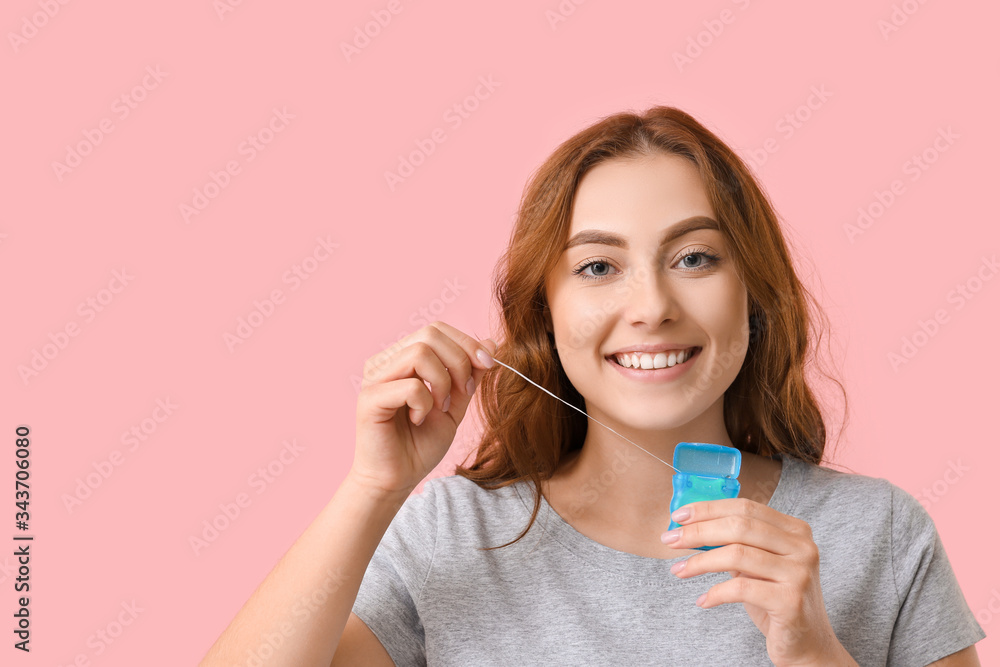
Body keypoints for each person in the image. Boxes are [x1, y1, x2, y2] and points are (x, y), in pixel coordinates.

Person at [201, 107, 986, 666]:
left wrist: (813, 651)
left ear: (754, 292)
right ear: (545, 312)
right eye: (598, 267)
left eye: (695, 257)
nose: (650, 306)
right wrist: (372, 487)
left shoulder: (878, 535)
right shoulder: (450, 538)